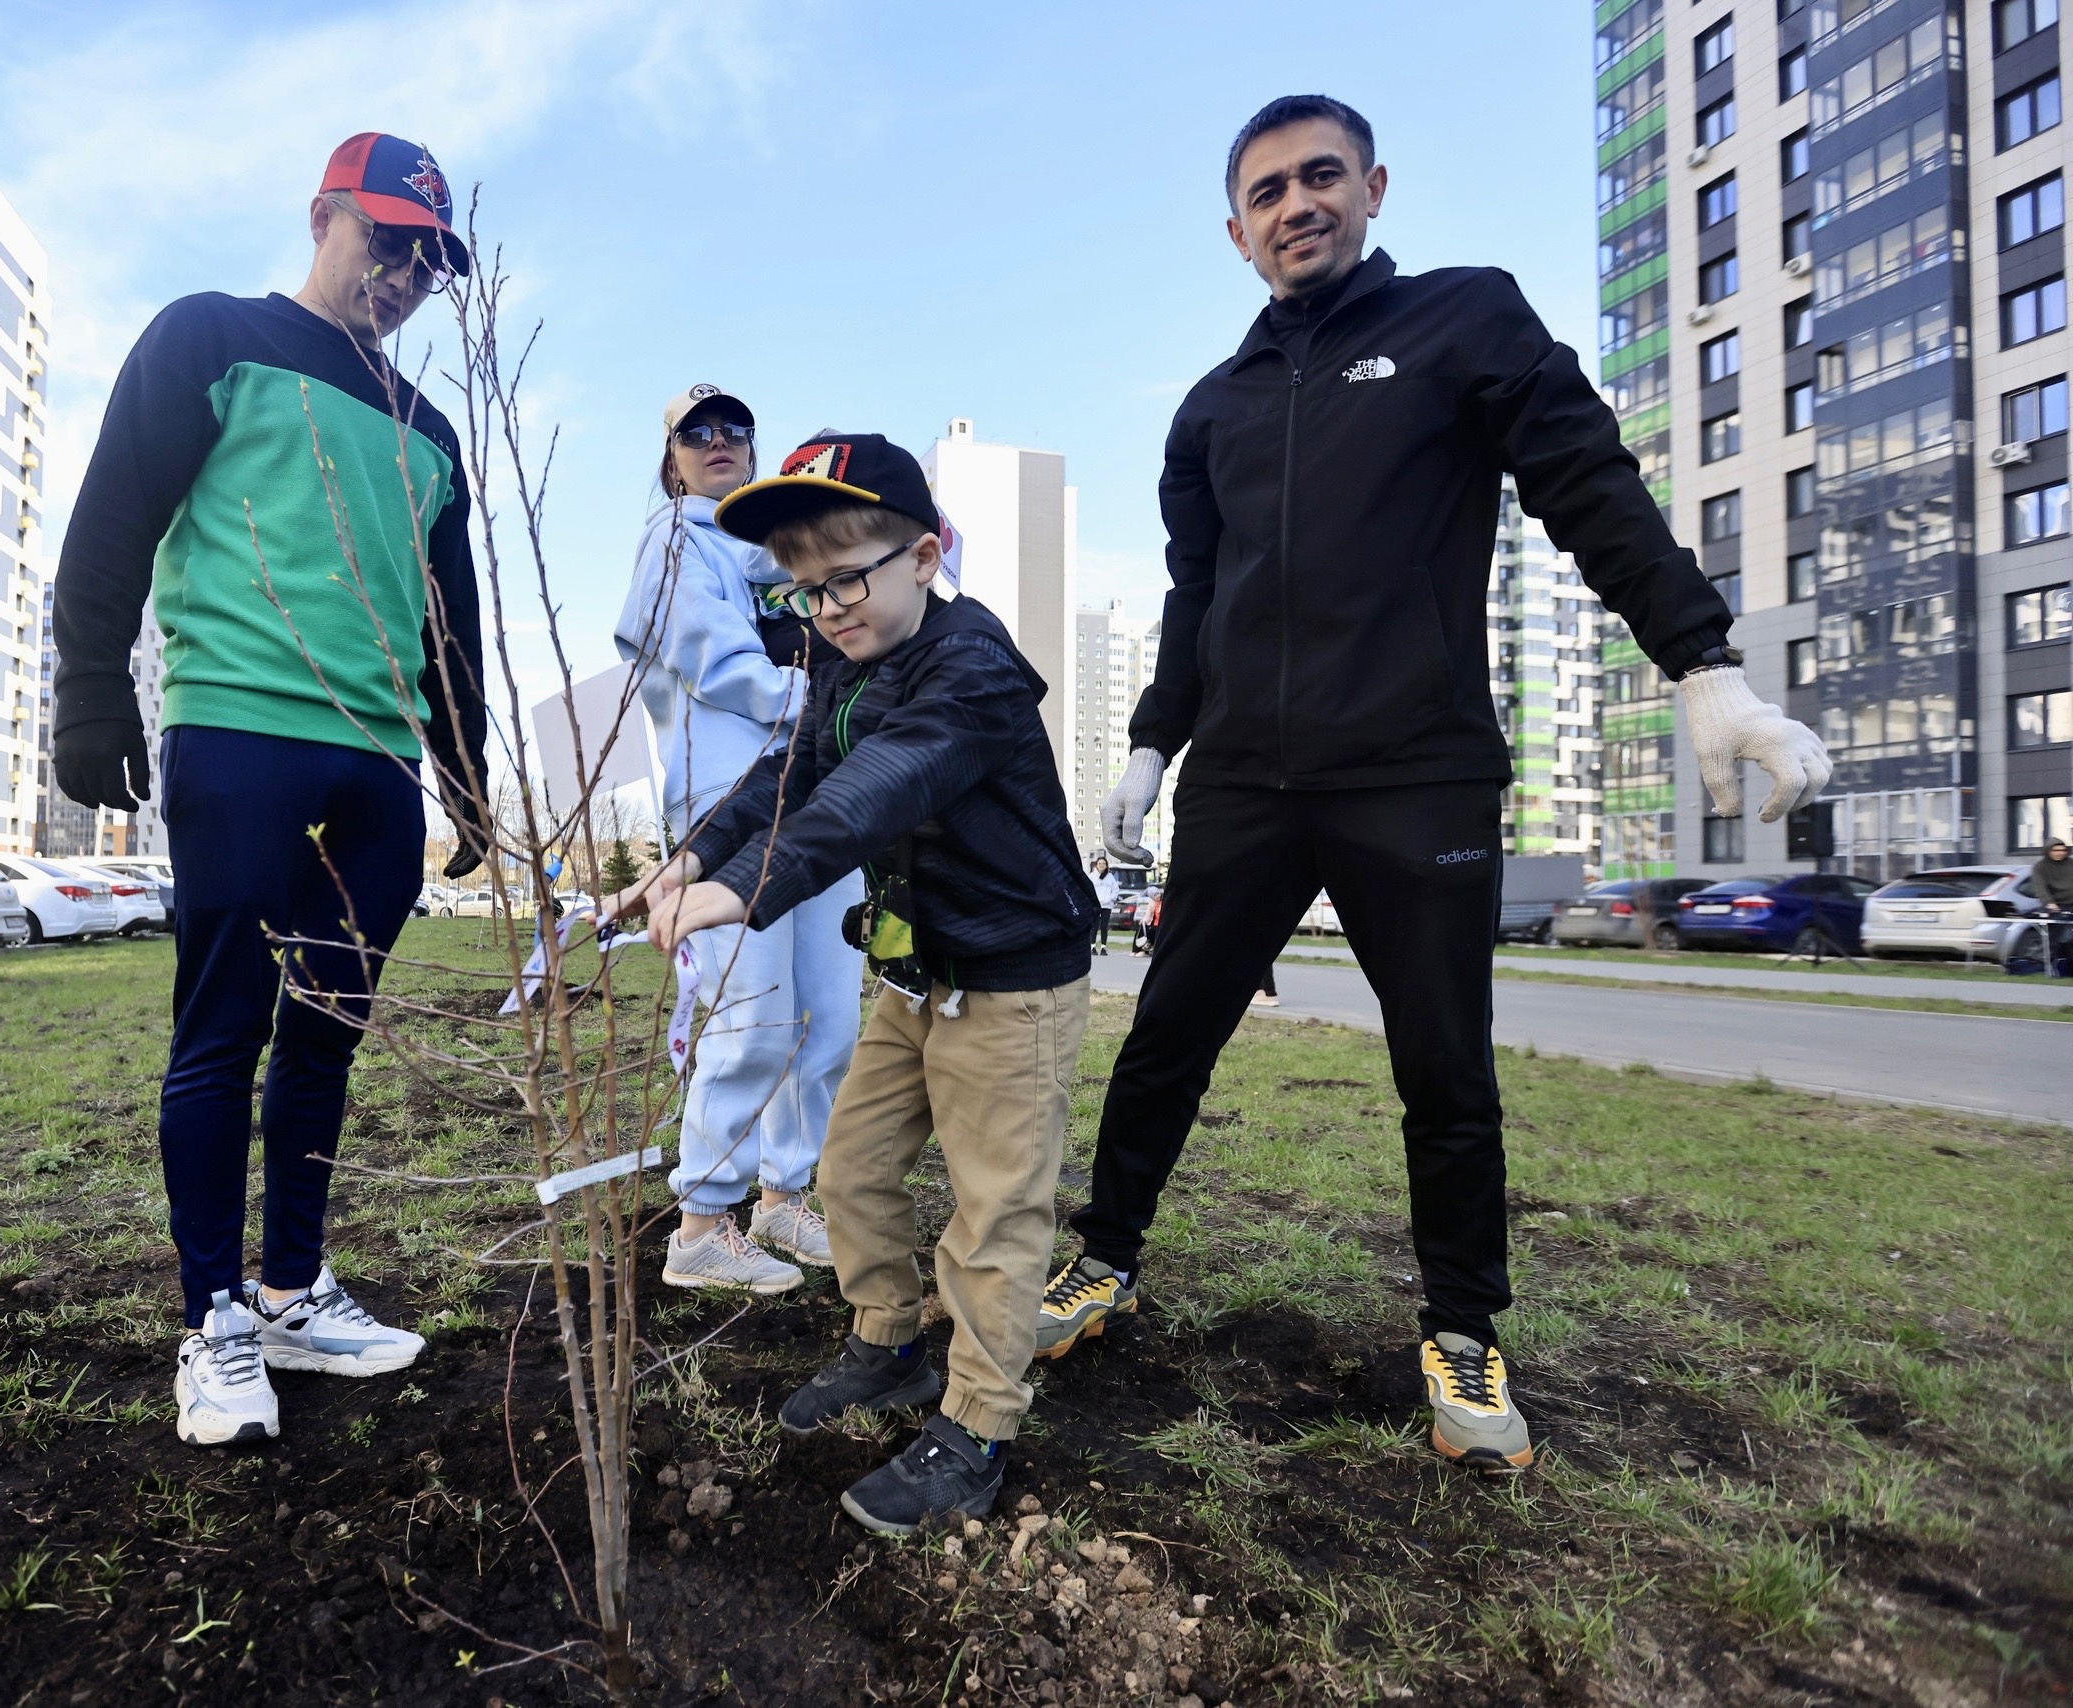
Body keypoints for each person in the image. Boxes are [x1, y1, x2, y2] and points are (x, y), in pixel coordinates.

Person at [1036, 96, 1830, 1474]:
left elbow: (1591, 485)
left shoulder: (1466, 323)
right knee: (1167, 1034)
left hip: (1419, 776)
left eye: (1321, 177)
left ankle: (1462, 1329)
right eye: (1268, 192)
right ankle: (1102, 1258)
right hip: (1244, 786)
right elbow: (1194, 594)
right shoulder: (1209, 410)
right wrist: (1157, 741)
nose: (1297, 205)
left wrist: (1703, 664)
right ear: (1235, 232)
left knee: (1445, 1068)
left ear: (1374, 187)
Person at [52, 131, 490, 1447]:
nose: (404, 273)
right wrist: (89, 693)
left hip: (376, 762)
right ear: (323, 217)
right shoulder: (210, 339)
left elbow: (451, 623)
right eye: (386, 240)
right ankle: (213, 1322)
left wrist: (467, 783)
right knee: (224, 1025)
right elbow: (113, 517)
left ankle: (292, 1291)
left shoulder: (434, 434)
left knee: (328, 1033)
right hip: (239, 726)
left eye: (428, 258)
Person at [622, 432, 1095, 1534]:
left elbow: (869, 796)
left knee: (992, 1213)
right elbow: (786, 776)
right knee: (850, 1169)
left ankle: (977, 1421)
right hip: (917, 970)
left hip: (1012, 980)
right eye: (802, 584)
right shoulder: (847, 664)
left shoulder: (970, 669)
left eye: (847, 576)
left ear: (925, 556)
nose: (824, 606)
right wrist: (691, 856)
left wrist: (743, 890)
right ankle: (886, 1343)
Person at [612, 385, 865, 1294]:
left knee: (828, 1018)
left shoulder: (782, 555)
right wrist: (839, 711)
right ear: (670, 454)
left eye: (734, 430)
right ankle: (702, 1222)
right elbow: (719, 660)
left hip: (826, 802)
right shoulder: (677, 538)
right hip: (732, 803)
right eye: (696, 432)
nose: (718, 442)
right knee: (751, 1015)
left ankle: (784, 1194)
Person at [2034, 838, 2073, 976]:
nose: (2060, 853)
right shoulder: (2041, 867)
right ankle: (2056, 966)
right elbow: (2040, 888)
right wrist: (2050, 903)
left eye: (2062, 850)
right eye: (2056, 850)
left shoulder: (2070, 864)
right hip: (2056, 907)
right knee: (2057, 938)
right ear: (2048, 851)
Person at [1090, 856, 1120, 953]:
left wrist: (1110, 899)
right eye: (1099, 864)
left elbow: (1115, 890)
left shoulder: (1110, 877)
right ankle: (1092, 946)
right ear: (1096, 865)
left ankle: (1103, 947)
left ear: (1106, 865)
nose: (1101, 865)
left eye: (1103, 864)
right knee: (1094, 926)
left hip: (1107, 905)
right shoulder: (1091, 876)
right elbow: (1088, 890)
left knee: (1104, 926)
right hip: (1095, 905)